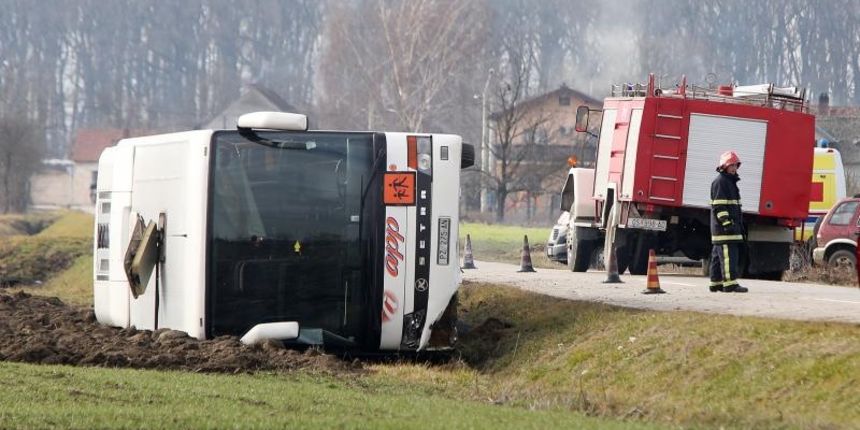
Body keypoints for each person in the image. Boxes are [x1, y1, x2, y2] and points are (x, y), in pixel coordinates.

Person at [709, 150, 748, 293]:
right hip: (725, 229)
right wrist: (727, 224)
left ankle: (716, 283)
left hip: (725, 228)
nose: (734, 168)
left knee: (718, 257)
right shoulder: (721, 182)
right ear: (724, 166)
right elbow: (719, 206)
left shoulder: (728, 182)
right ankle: (730, 284)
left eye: (736, 165)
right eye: (731, 165)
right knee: (728, 257)